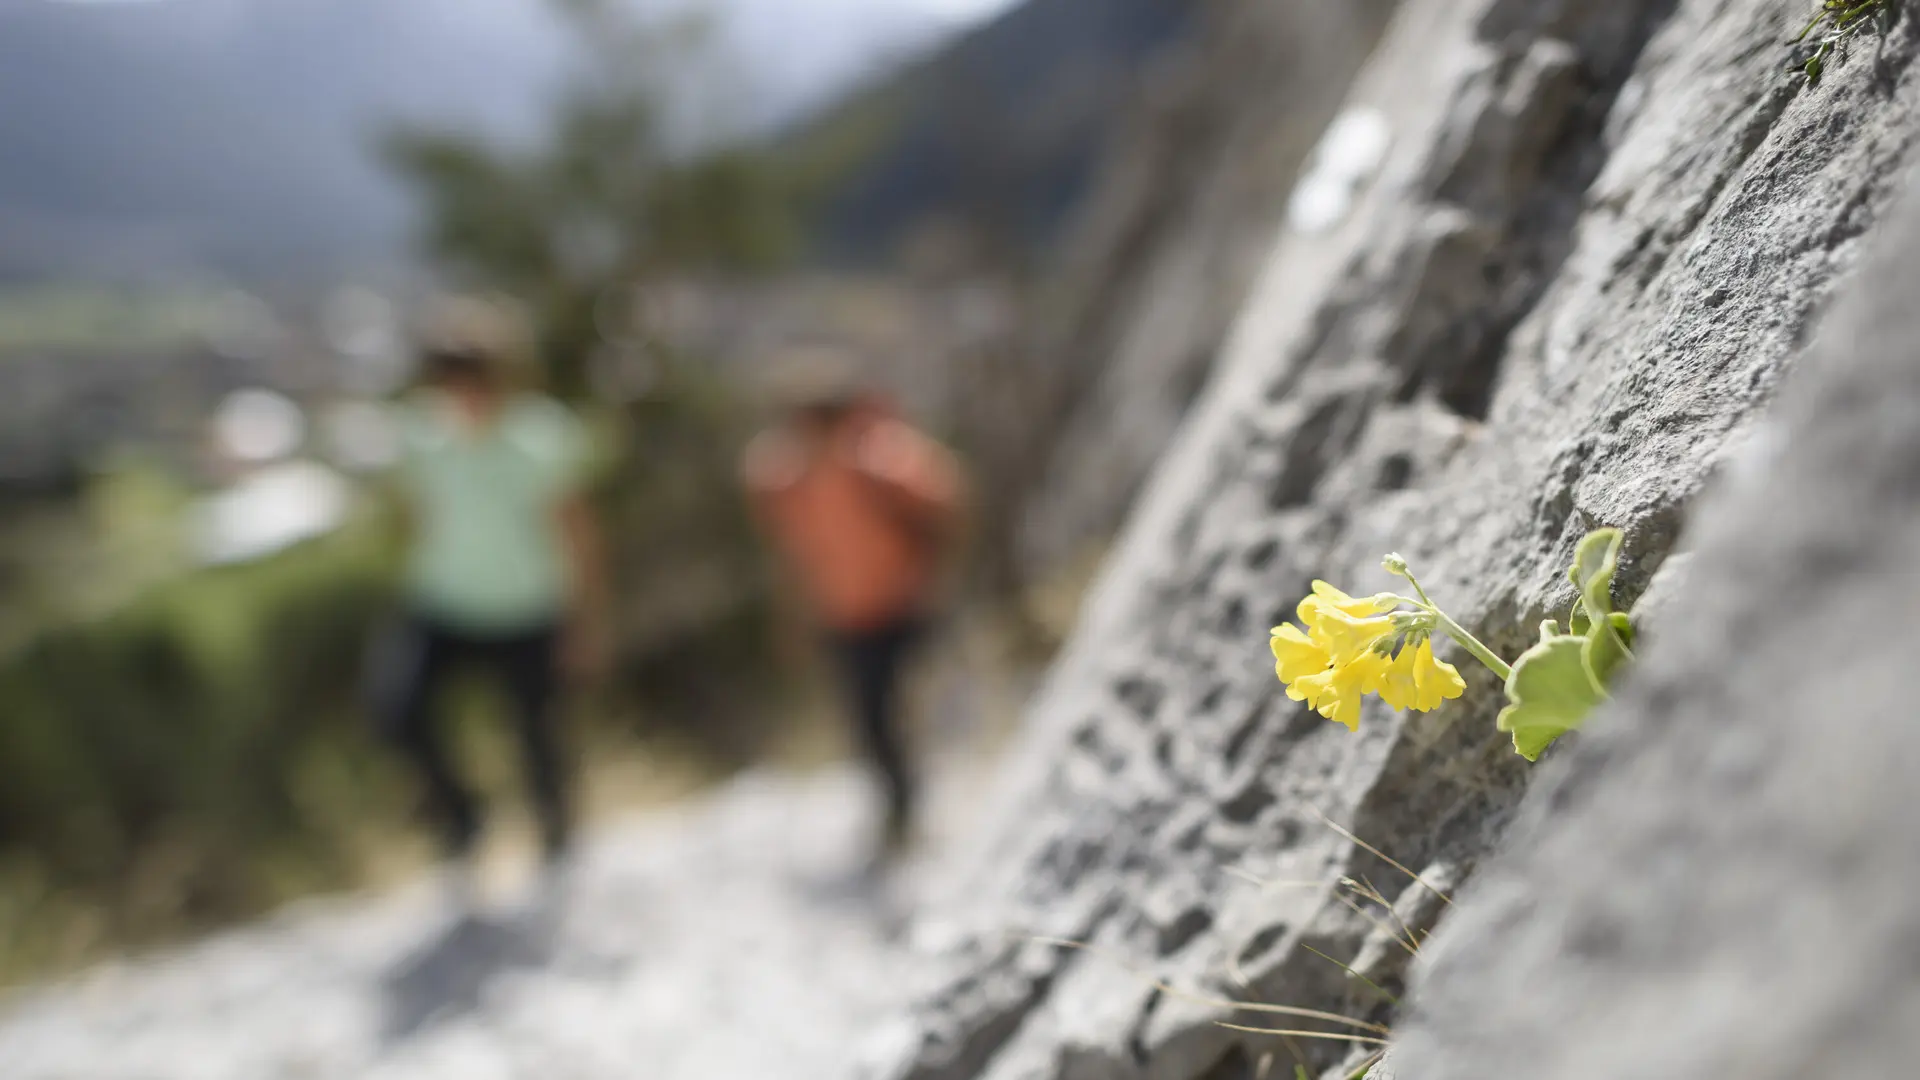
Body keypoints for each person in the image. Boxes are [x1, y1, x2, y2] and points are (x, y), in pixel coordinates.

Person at [377, 298, 608, 870]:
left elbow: (579, 533)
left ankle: (556, 838)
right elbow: (418, 514)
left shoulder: (542, 436)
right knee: (395, 709)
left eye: (474, 377)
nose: (463, 393)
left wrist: (587, 619)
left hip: (527, 609)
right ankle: (464, 819)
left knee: (537, 736)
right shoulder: (419, 435)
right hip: (442, 605)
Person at [740, 353, 966, 864]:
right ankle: (899, 807)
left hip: (901, 604)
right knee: (870, 717)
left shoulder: (886, 462)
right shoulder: (791, 480)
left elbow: (942, 518)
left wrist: (927, 580)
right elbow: (794, 554)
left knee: (902, 704)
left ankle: (919, 799)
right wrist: (795, 614)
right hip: (844, 614)